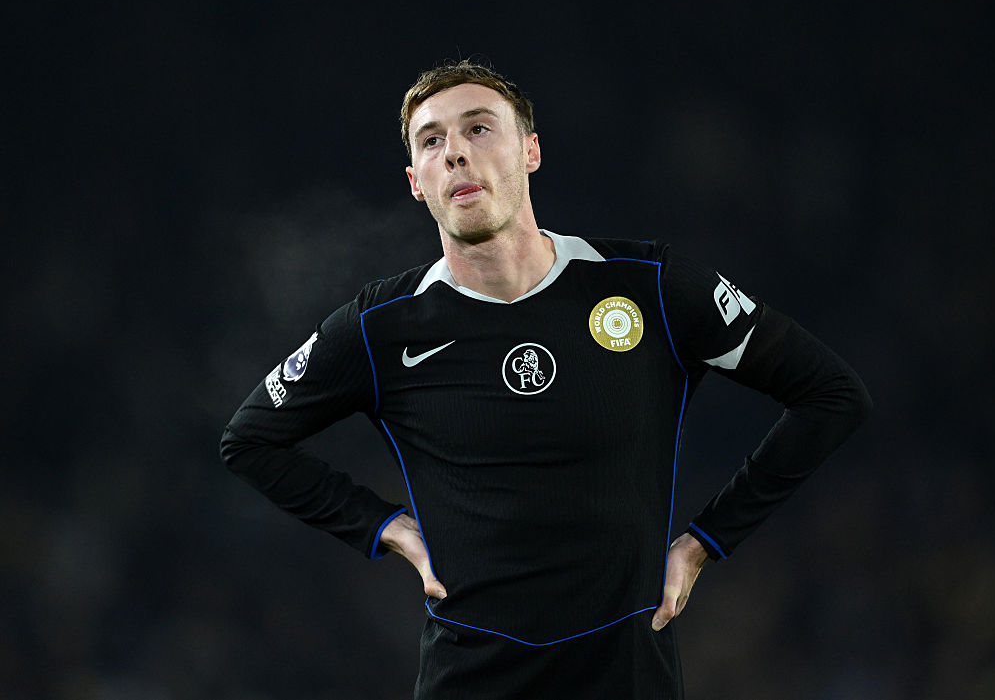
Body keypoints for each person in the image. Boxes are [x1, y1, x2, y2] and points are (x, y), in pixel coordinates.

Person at [221, 60, 871, 699]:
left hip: (627, 674)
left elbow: (831, 395)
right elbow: (250, 440)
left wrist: (706, 542)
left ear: (530, 150)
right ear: (416, 181)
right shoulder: (381, 327)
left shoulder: (650, 287)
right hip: (470, 676)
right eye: (432, 140)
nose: (455, 153)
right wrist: (385, 526)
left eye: (478, 128)